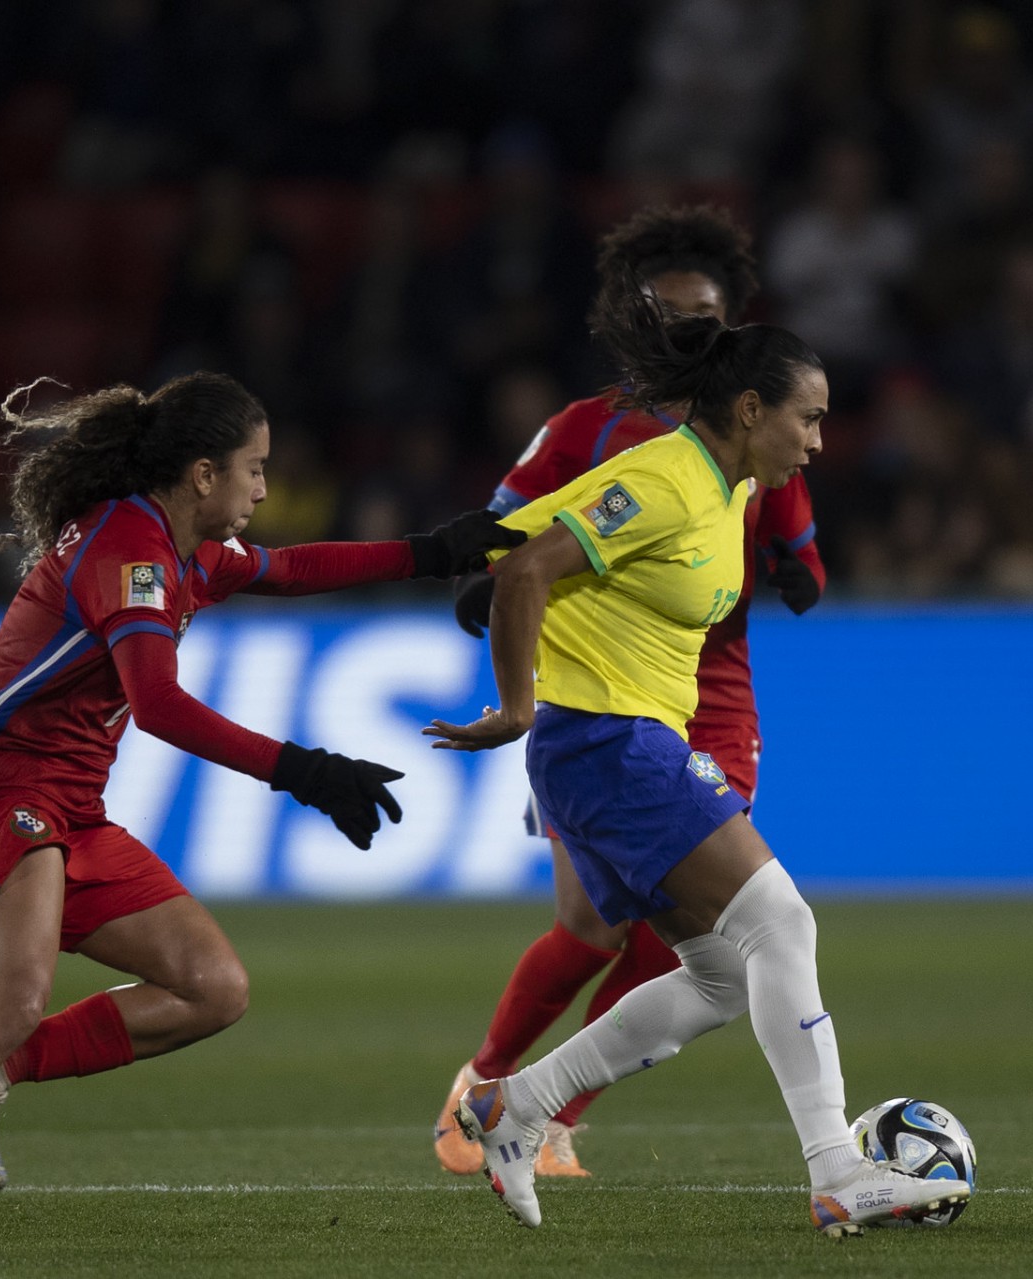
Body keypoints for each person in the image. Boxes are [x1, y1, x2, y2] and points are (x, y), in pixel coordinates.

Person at [0, 372, 522, 1255]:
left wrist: (432, 551)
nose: (264, 487)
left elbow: (291, 568)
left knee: (212, 989)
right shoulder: (130, 549)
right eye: (253, 468)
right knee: (11, 998)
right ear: (200, 473)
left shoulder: (180, 546)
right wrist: (301, 768)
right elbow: (159, 706)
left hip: (72, 804)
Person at [424, 288, 969, 1234]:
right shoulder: (669, 479)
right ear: (752, 409)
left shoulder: (734, 490)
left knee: (720, 973)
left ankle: (514, 1107)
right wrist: (515, 705)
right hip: (603, 744)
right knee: (782, 923)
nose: (820, 440)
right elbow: (522, 566)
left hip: (627, 746)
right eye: (811, 416)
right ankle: (838, 1168)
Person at [432, 205, 825, 1180]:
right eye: (672, 314)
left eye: (708, 317)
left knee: (711, 947)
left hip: (709, 695)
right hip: (600, 699)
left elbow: (798, 548)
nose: (691, 330)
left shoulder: (753, 448)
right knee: (602, 928)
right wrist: (492, 588)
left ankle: (535, 1110)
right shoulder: (598, 436)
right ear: (637, 318)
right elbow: (505, 546)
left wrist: (796, 564)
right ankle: (487, 1091)